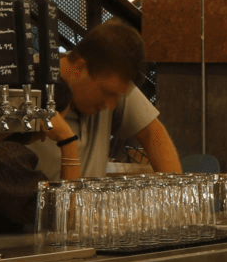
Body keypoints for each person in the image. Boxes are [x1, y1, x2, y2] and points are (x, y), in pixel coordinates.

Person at [41, 21, 181, 181]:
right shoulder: (27, 86)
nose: (111, 105)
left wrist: (176, 197)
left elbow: (153, 134)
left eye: (118, 97)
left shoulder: (111, 81)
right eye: (106, 93)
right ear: (80, 67)